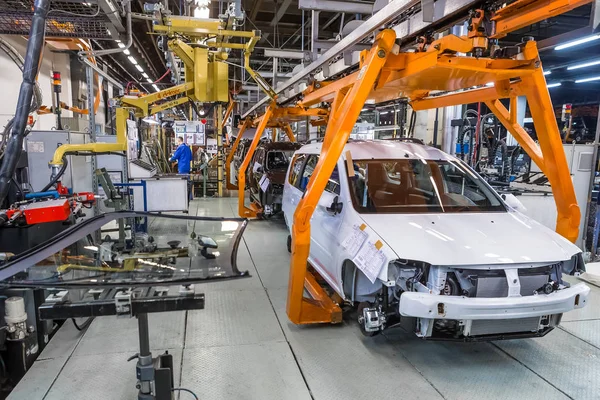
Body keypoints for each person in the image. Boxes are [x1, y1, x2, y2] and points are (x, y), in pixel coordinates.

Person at [170, 136, 193, 202]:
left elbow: (175, 156)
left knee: (183, 182)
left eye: (177, 141)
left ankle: (183, 197)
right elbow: (190, 158)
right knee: (188, 182)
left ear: (179, 141)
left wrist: (170, 159)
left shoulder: (180, 148)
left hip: (182, 167)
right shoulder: (188, 148)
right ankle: (190, 196)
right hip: (187, 167)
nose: (176, 143)